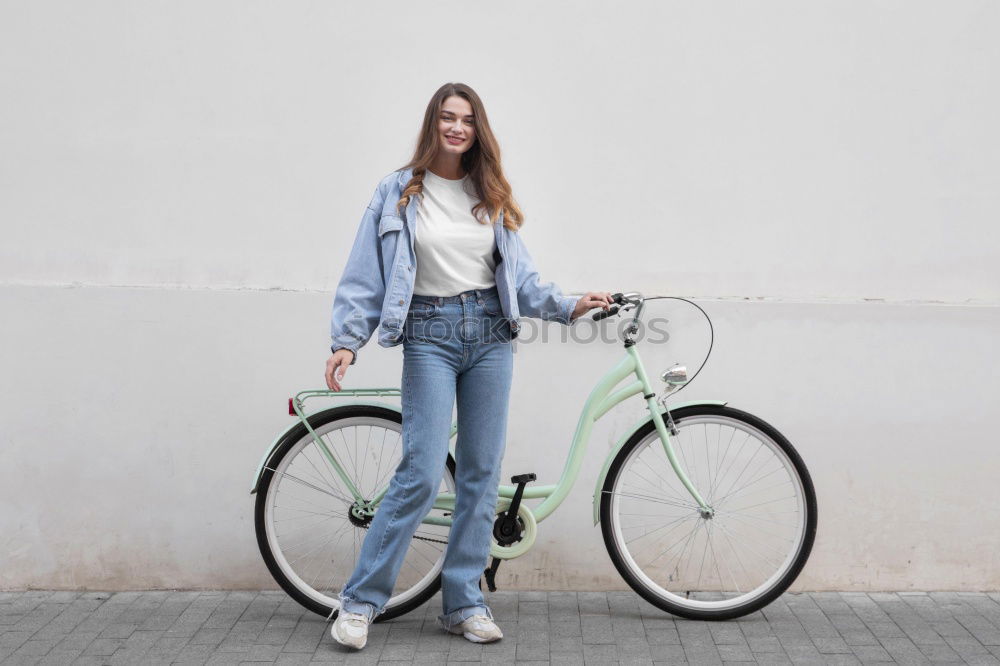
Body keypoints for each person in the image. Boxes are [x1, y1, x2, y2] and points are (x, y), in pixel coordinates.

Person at [324, 82, 613, 650]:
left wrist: (569, 304)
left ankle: (464, 603)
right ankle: (359, 603)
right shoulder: (397, 192)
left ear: (479, 130)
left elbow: (521, 280)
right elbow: (366, 273)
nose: (457, 128)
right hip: (427, 334)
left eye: (468, 120)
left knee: (481, 474)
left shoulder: (491, 193)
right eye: (448, 117)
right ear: (433, 123)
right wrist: (347, 339)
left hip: (490, 335)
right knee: (423, 471)